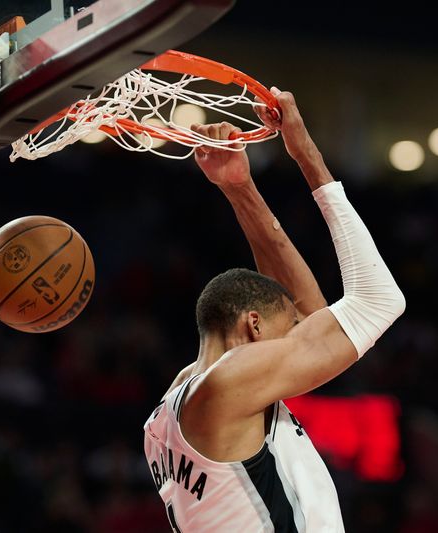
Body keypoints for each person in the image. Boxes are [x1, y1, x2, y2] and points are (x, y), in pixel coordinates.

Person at [143, 87, 406, 532]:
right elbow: (381, 300)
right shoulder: (228, 383)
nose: (305, 327)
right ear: (253, 324)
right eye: (293, 328)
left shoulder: (177, 401)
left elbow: (306, 310)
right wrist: (308, 157)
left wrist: (240, 189)